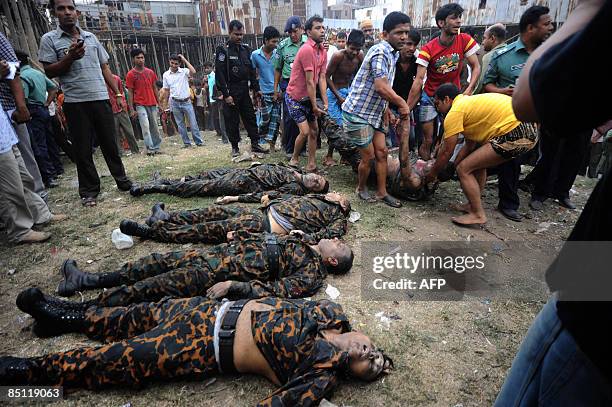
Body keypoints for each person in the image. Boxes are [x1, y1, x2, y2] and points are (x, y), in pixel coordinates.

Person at [495, 1, 612, 403]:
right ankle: (540, 192)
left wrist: (589, 9)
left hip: (601, 274)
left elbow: (530, 96)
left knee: (559, 336)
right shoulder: (501, 55)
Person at [3, 294, 392, 405]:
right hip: (208, 309)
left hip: (201, 347)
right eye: (374, 350)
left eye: (369, 367)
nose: (368, 355)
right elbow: (279, 298)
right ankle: (60, 317)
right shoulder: (331, 313)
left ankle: (26, 374)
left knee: (112, 361)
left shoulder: (320, 376)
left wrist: (341, 361)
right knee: (124, 317)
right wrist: (237, 286)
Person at [46, 233, 353, 307]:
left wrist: (233, 286)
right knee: (149, 263)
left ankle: (81, 306)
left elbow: (277, 291)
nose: (337, 239)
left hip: (216, 274)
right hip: (218, 254)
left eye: (339, 245)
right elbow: (267, 243)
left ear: (332, 262)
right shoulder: (304, 240)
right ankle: (86, 279)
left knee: (149, 288)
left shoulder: (312, 274)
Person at [39, 0, 132, 207]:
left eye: (70, 8)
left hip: (100, 97)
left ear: (77, 12)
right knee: (82, 149)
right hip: (75, 102)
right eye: (61, 9)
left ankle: (122, 180)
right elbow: (49, 71)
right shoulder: (49, 39)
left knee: (110, 143)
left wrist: (117, 94)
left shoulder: (91, 37)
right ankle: (89, 191)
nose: (67, 13)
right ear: (53, 13)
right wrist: (70, 57)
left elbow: (105, 66)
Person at [423, 84, 538, 225]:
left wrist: (433, 174)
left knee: (464, 169)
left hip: (514, 132)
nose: (437, 107)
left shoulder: (455, 112)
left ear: (447, 99)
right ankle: (473, 205)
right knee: (477, 166)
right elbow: (470, 146)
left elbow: (447, 151)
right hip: (530, 131)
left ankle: (477, 214)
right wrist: (452, 166)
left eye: (437, 103)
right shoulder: (468, 105)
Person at [482, 6, 552, 221]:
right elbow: (487, 84)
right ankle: (508, 202)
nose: (551, 27)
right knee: (511, 161)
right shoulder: (504, 56)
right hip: (513, 120)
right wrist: (504, 91)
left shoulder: (552, 53)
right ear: (530, 28)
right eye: (546, 24)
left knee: (546, 157)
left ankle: (540, 193)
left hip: (544, 118)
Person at [342, 12, 417, 208]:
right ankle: (361, 188)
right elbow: (381, 87)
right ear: (385, 34)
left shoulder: (392, 54)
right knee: (369, 156)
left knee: (382, 152)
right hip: (358, 113)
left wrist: (386, 109)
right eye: (398, 32)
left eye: (406, 32)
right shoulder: (381, 51)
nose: (403, 37)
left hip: (374, 114)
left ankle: (382, 192)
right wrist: (402, 104)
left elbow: (385, 87)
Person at [119, 192, 350, 244]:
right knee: (208, 212)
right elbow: (286, 196)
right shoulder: (316, 197)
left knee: (206, 229)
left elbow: (330, 235)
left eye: (340, 195)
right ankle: (166, 216)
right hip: (260, 213)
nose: (335, 193)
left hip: (265, 225)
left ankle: (151, 232)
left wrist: (306, 236)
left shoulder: (337, 216)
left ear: (342, 203)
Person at [407, 3, 481, 160]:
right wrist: (407, 109)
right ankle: (425, 171)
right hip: (430, 97)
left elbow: (476, 66)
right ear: (441, 23)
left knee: (448, 139)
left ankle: (438, 169)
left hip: (453, 98)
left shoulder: (464, 40)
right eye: (454, 18)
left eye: (460, 17)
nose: (459, 22)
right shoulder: (427, 49)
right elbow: (419, 80)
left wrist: (468, 90)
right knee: (427, 139)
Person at [0, 96, 67, 243]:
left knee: (24, 179)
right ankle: (20, 230)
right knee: (10, 188)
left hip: (5, 133)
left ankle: (41, 215)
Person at [0, 33, 45, 200]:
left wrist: (21, 105)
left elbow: (12, 71)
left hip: (8, 108)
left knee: (23, 157)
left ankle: (38, 201)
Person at [129, 162, 328, 199]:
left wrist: (237, 198)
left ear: (312, 190)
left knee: (199, 187)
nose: (315, 179)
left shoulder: (295, 188)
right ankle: (165, 180)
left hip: (241, 184)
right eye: (319, 177)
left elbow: (268, 195)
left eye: (316, 185)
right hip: (242, 171)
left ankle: (154, 188)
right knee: (202, 175)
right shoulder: (297, 170)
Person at [215, 20, 267, 157]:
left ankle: (255, 144)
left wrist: (257, 89)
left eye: (241, 34)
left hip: (244, 89)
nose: (239, 37)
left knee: (250, 117)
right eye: (236, 34)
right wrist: (226, 95)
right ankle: (235, 147)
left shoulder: (246, 50)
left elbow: (251, 72)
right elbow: (219, 75)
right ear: (230, 33)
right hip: (231, 90)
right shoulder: (223, 50)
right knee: (232, 120)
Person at [15, 50, 63, 188]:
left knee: (38, 143)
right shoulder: (37, 73)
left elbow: (23, 98)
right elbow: (53, 87)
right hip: (43, 110)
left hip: (32, 111)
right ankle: (58, 168)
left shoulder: (22, 77)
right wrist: (47, 103)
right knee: (50, 140)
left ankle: (49, 176)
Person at [285, 15, 328, 173]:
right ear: (308, 32)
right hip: (295, 97)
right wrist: (315, 106)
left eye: (323, 27)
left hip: (308, 97)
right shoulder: (307, 50)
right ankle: (294, 159)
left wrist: (325, 102)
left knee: (315, 131)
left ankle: (311, 164)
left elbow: (322, 78)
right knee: (305, 131)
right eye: (318, 28)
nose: (322, 30)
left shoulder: (322, 50)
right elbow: (310, 82)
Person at [274, 16, 307, 157]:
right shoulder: (282, 47)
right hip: (288, 84)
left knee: (304, 116)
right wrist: (275, 88)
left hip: (305, 84)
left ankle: (303, 149)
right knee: (288, 117)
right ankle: (289, 149)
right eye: (290, 32)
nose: (293, 35)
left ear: (301, 29)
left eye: (295, 31)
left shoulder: (308, 44)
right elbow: (278, 69)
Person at [162, 54, 204, 148]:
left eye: (176, 64)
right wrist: (165, 105)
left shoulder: (184, 71)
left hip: (186, 102)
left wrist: (184, 59)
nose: (173, 65)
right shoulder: (166, 75)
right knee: (180, 125)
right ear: (169, 61)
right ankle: (187, 143)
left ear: (179, 64)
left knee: (193, 123)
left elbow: (193, 71)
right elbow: (166, 90)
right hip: (174, 102)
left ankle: (198, 142)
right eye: (172, 63)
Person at [126, 48, 162, 154]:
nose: (141, 60)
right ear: (133, 59)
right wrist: (132, 109)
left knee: (154, 126)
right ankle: (150, 148)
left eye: (142, 57)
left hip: (152, 103)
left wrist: (158, 103)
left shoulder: (150, 72)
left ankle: (156, 147)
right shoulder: (131, 74)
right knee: (145, 126)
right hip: (140, 104)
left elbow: (155, 88)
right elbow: (130, 93)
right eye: (138, 58)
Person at [389, 29, 421, 148]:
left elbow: (418, 90)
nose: (412, 48)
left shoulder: (418, 63)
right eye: (408, 44)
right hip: (389, 106)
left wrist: (406, 110)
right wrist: (388, 111)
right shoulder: (391, 60)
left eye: (415, 45)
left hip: (408, 106)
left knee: (411, 138)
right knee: (394, 141)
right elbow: (383, 88)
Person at [251, 26, 281, 151]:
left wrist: (279, 91)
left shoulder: (278, 54)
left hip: (277, 91)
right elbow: (253, 74)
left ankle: (272, 145)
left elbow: (280, 72)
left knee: (275, 120)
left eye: (277, 41)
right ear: (266, 40)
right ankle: (257, 141)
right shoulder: (255, 55)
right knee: (265, 119)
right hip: (263, 92)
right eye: (273, 41)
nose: (276, 44)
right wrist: (255, 92)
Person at [106, 73, 140, 156]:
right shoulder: (100, 81)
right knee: (115, 134)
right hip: (110, 111)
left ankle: (135, 150)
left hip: (121, 108)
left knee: (129, 131)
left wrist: (125, 106)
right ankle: (119, 153)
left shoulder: (116, 78)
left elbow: (122, 93)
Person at [474, 23, 506, 94]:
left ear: (492, 39)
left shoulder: (490, 56)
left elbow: (482, 83)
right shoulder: (510, 52)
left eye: (484, 38)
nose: (482, 42)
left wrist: (471, 97)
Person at [203, 62, 227, 143]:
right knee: (215, 116)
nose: (206, 69)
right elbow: (209, 90)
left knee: (218, 117)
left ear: (212, 68)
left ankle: (221, 132)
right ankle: (219, 132)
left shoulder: (214, 76)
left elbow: (217, 88)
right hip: (212, 99)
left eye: (208, 68)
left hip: (217, 99)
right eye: (205, 68)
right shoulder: (208, 77)